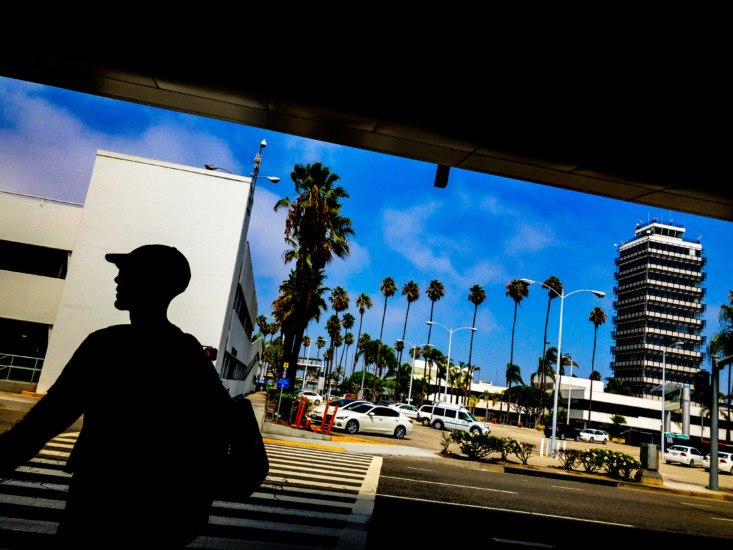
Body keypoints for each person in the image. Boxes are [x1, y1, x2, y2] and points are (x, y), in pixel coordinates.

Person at [0, 244, 233, 548]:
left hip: (98, 505)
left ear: (151, 282)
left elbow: (46, 420)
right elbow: (221, 426)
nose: (118, 280)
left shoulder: (107, 346)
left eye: (127, 273)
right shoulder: (189, 354)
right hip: (162, 519)